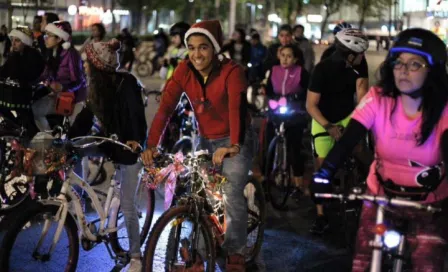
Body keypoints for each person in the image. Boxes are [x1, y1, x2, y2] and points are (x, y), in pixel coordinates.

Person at [312, 28, 448, 272]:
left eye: (415, 64)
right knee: (363, 263)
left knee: (428, 263)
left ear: (434, 70)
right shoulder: (378, 98)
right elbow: (348, 140)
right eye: (398, 62)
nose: (403, 70)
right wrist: (324, 173)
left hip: (429, 205)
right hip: (380, 198)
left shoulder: (444, 110)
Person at [141, 20, 256, 272]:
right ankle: (199, 253)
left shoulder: (232, 71)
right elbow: (165, 110)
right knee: (200, 197)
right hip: (205, 140)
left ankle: (236, 252)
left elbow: (237, 108)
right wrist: (151, 145)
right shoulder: (183, 70)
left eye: (203, 47)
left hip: (237, 138)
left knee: (230, 193)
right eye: (191, 48)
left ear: (214, 49)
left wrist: (234, 145)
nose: (196, 54)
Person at [69, 39, 147, 272]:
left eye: (86, 62)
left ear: (98, 66)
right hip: (108, 142)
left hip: (129, 148)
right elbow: (84, 119)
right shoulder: (96, 90)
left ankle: (135, 257)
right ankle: (78, 199)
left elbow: (136, 119)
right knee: (74, 152)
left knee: (128, 205)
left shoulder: (127, 84)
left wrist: (134, 141)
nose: (84, 66)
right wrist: (68, 141)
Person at [306, 28, 369, 234]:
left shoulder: (361, 65)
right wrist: (329, 127)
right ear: (350, 54)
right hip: (322, 117)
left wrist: (355, 129)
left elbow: (362, 98)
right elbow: (311, 105)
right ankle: (321, 215)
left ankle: (369, 187)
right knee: (321, 171)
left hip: (348, 114)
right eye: (360, 54)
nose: (363, 57)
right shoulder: (322, 69)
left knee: (360, 150)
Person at [261, 44, 309, 198]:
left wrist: (296, 98)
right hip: (276, 112)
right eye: (283, 55)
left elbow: (309, 92)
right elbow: (268, 90)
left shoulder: (302, 72)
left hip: (295, 114)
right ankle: (265, 178)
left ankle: (298, 184)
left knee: (295, 148)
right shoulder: (274, 71)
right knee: (268, 144)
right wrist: (266, 94)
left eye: (289, 56)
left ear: (295, 59)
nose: (285, 59)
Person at [33, 21, 87, 132]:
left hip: (74, 99)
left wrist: (63, 87)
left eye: (49, 35)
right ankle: (50, 139)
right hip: (58, 97)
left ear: (59, 39)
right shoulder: (52, 53)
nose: (45, 38)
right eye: (45, 34)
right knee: (34, 109)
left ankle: (54, 142)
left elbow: (79, 81)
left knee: (72, 133)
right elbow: (44, 75)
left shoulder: (71, 54)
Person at [0, 26, 45, 136]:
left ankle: (28, 133)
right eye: (13, 40)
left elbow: (27, 75)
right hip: (18, 92)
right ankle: (18, 128)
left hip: (31, 93)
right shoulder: (15, 55)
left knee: (25, 116)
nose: (14, 44)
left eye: (18, 40)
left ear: (25, 42)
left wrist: (13, 58)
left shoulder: (33, 55)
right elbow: (5, 70)